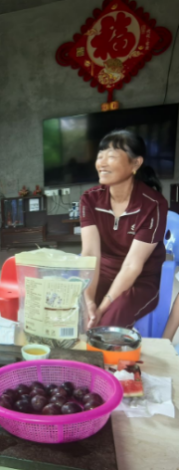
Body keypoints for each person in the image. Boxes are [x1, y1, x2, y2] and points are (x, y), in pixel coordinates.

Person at [81, 129, 168, 329]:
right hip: (103, 274)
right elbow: (90, 254)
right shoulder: (90, 199)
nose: (102, 163)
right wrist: (89, 300)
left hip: (140, 280)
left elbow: (132, 266)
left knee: (107, 324)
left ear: (135, 163)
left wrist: (102, 308)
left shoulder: (153, 204)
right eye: (100, 156)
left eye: (111, 156)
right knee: (73, 311)